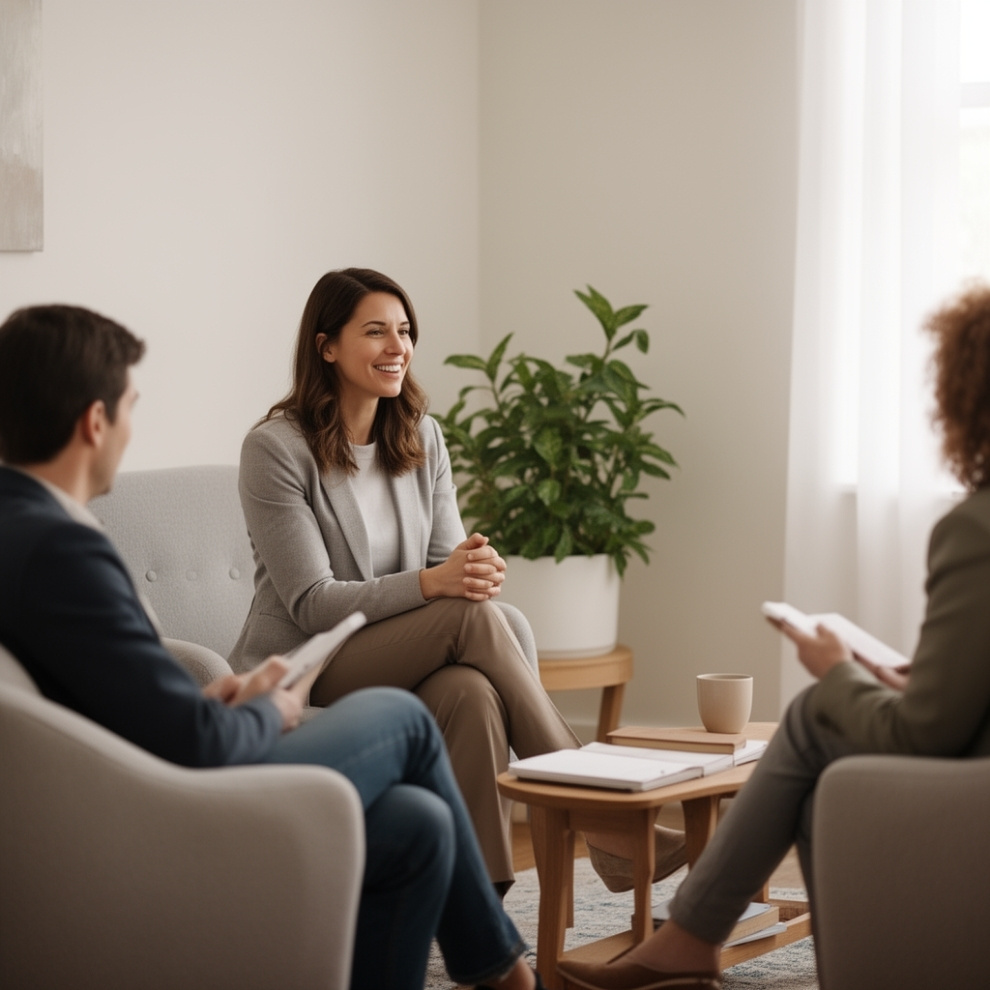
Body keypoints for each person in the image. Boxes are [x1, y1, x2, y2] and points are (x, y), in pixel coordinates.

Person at [0, 303, 546, 990]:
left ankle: (497, 960)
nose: (397, 345)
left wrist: (220, 697)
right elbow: (193, 740)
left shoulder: (27, 527)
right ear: (95, 422)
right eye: (131, 407)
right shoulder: (63, 550)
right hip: (165, 806)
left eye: (404, 331)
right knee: (403, 720)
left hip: (141, 774)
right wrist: (267, 710)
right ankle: (509, 969)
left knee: (419, 822)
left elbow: (116, 695)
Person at [557, 281, 990, 990]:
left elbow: (926, 733)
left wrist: (837, 668)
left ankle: (688, 941)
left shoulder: (975, 529)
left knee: (815, 715)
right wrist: (924, 674)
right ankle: (707, 941)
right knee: (818, 796)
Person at [227, 267, 686, 893]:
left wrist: (475, 570)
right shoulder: (275, 449)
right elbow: (312, 603)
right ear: (326, 346)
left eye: (405, 331)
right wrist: (436, 583)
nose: (398, 347)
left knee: (471, 691)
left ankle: (482, 900)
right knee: (469, 619)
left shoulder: (421, 434)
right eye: (376, 332)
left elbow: (450, 564)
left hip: (403, 648)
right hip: (312, 661)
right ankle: (605, 819)